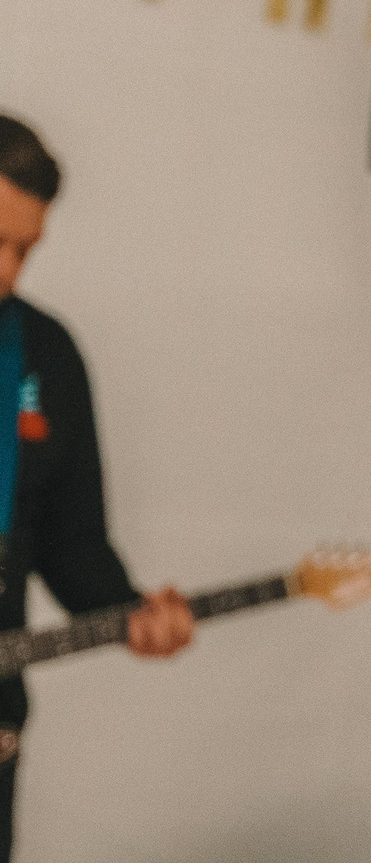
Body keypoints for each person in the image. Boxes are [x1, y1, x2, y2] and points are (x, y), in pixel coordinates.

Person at [0, 114, 193, 861]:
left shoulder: (45, 356)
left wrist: (130, 610)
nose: (9, 271)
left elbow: (72, 544)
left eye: (25, 249)